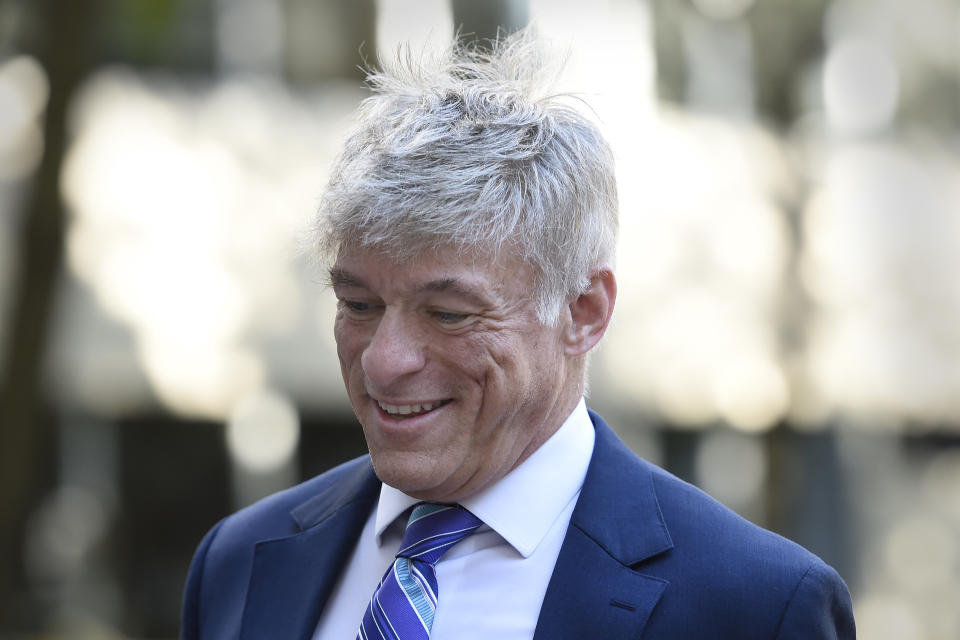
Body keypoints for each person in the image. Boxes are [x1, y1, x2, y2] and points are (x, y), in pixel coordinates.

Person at [181, 29, 855, 640]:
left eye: (449, 314)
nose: (384, 362)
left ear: (584, 311)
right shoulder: (238, 563)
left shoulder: (756, 609)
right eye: (358, 304)